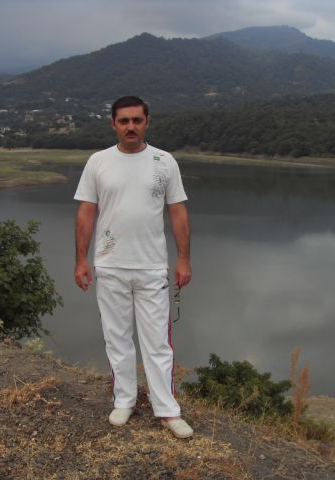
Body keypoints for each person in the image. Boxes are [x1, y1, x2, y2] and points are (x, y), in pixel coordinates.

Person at [73, 95, 193, 439]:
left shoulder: (164, 161)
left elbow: (178, 212)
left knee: (158, 343)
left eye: (136, 120)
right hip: (110, 265)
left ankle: (167, 410)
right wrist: (81, 259)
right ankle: (124, 400)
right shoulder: (98, 162)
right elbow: (86, 212)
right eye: (123, 120)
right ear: (113, 123)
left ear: (147, 122)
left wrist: (183, 258)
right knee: (117, 338)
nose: (130, 126)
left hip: (152, 267)